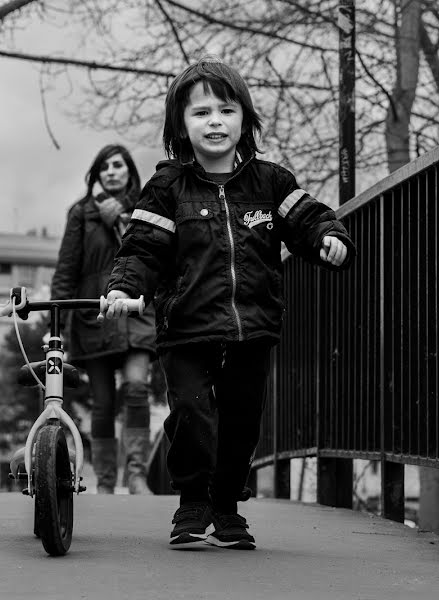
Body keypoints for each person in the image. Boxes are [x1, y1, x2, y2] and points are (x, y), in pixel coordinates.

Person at [101, 57, 355, 548]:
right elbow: (142, 249)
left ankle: (228, 507)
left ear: (244, 119)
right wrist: (125, 287)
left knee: (241, 421)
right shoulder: (167, 188)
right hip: (187, 328)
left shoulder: (270, 182)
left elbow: (308, 218)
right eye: (200, 113)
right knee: (193, 413)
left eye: (226, 109)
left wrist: (328, 237)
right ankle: (193, 501)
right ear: (181, 125)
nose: (215, 121)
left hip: (251, 328)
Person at [51, 143, 158, 495]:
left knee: (137, 387)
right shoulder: (81, 213)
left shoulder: (148, 207)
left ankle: (137, 475)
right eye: (104, 167)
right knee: (102, 402)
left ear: (130, 170)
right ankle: (107, 481)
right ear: (96, 175)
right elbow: (67, 270)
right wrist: (57, 325)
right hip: (93, 315)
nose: (111, 171)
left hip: (135, 314)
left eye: (118, 165)